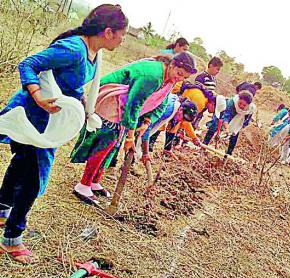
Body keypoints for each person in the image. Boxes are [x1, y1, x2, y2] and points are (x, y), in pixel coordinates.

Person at [0, 4, 128, 264]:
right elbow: (29, 64)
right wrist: (37, 96)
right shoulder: (73, 49)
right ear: (108, 32)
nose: (123, 39)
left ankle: (2, 213)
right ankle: (12, 238)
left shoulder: (93, 53)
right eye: (121, 33)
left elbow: (69, 82)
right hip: (35, 118)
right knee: (34, 178)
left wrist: (82, 104)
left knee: (22, 164)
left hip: (49, 120)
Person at [70, 52, 197, 207]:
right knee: (104, 144)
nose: (180, 79)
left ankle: (95, 182)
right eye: (179, 74)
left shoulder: (169, 80)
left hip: (122, 107)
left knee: (112, 146)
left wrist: (147, 121)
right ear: (173, 64)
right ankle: (83, 185)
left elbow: (161, 103)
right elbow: (134, 104)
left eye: (184, 77)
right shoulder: (153, 76)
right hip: (110, 98)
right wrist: (130, 137)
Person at [203, 90, 254, 156]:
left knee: (234, 134)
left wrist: (238, 128)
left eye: (244, 105)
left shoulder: (250, 110)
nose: (241, 106)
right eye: (240, 103)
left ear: (248, 105)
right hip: (223, 112)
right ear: (238, 99)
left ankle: (229, 153)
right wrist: (226, 129)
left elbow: (245, 121)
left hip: (237, 120)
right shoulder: (231, 103)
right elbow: (226, 116)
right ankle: (204, 144)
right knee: (214, 125)